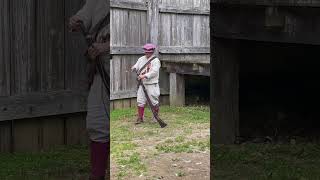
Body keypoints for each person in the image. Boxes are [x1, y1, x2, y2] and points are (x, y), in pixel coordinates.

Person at [68, 0, 109, 179]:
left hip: (128, 73)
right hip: (100, 74)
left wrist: (106, 47)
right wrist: (76, 20)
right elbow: (84, 16)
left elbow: (144, 39)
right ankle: (97, 175)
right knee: (97, 123)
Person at [131, 43, 161, 124]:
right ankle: (140, 118)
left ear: (152, 52)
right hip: (142, 84)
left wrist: (144, 76)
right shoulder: (141, 59)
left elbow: (154, 72)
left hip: (152, 84)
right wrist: (134, 68)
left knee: (154, 101)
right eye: (146, 52)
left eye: (149, 52)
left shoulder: (156, 61)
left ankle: (155, 117)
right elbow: (137, 66)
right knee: (140, 100)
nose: (148, 53)